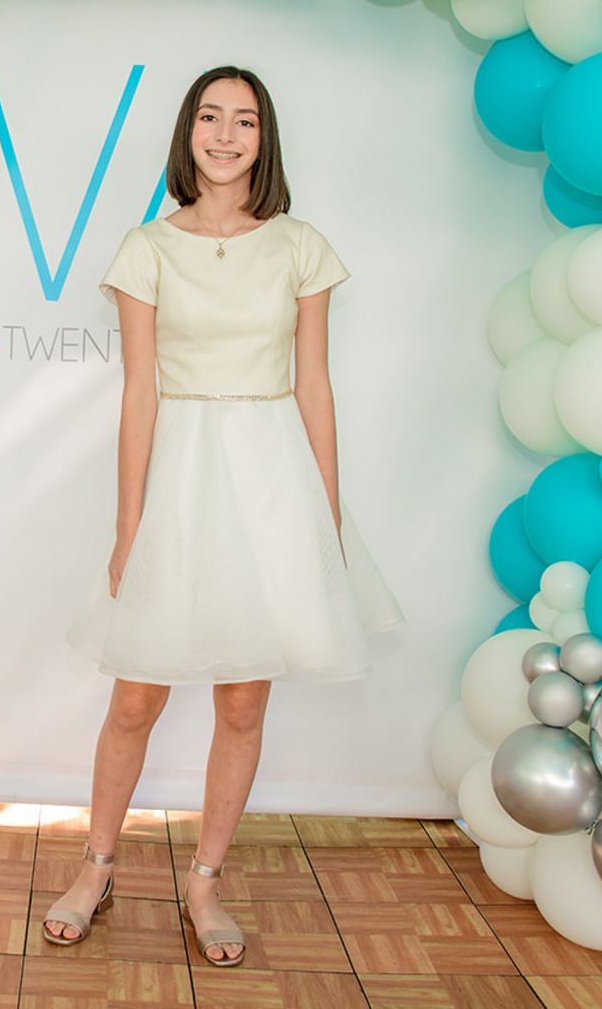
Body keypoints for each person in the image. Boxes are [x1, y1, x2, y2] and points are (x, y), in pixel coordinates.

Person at [42, 65, 403, 967]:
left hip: (274, 475)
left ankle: (204, 881)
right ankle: (96, 865)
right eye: (211, 116)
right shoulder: (145, 249)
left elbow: (314, 386)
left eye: (245, 120)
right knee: (137, 697)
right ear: (187, 132)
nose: (227, 134)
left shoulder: (300, 247)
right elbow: (138, 397)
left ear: (263, 139)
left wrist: (325, 511)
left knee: (243, 702)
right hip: (182, 479)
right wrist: (130, 529)